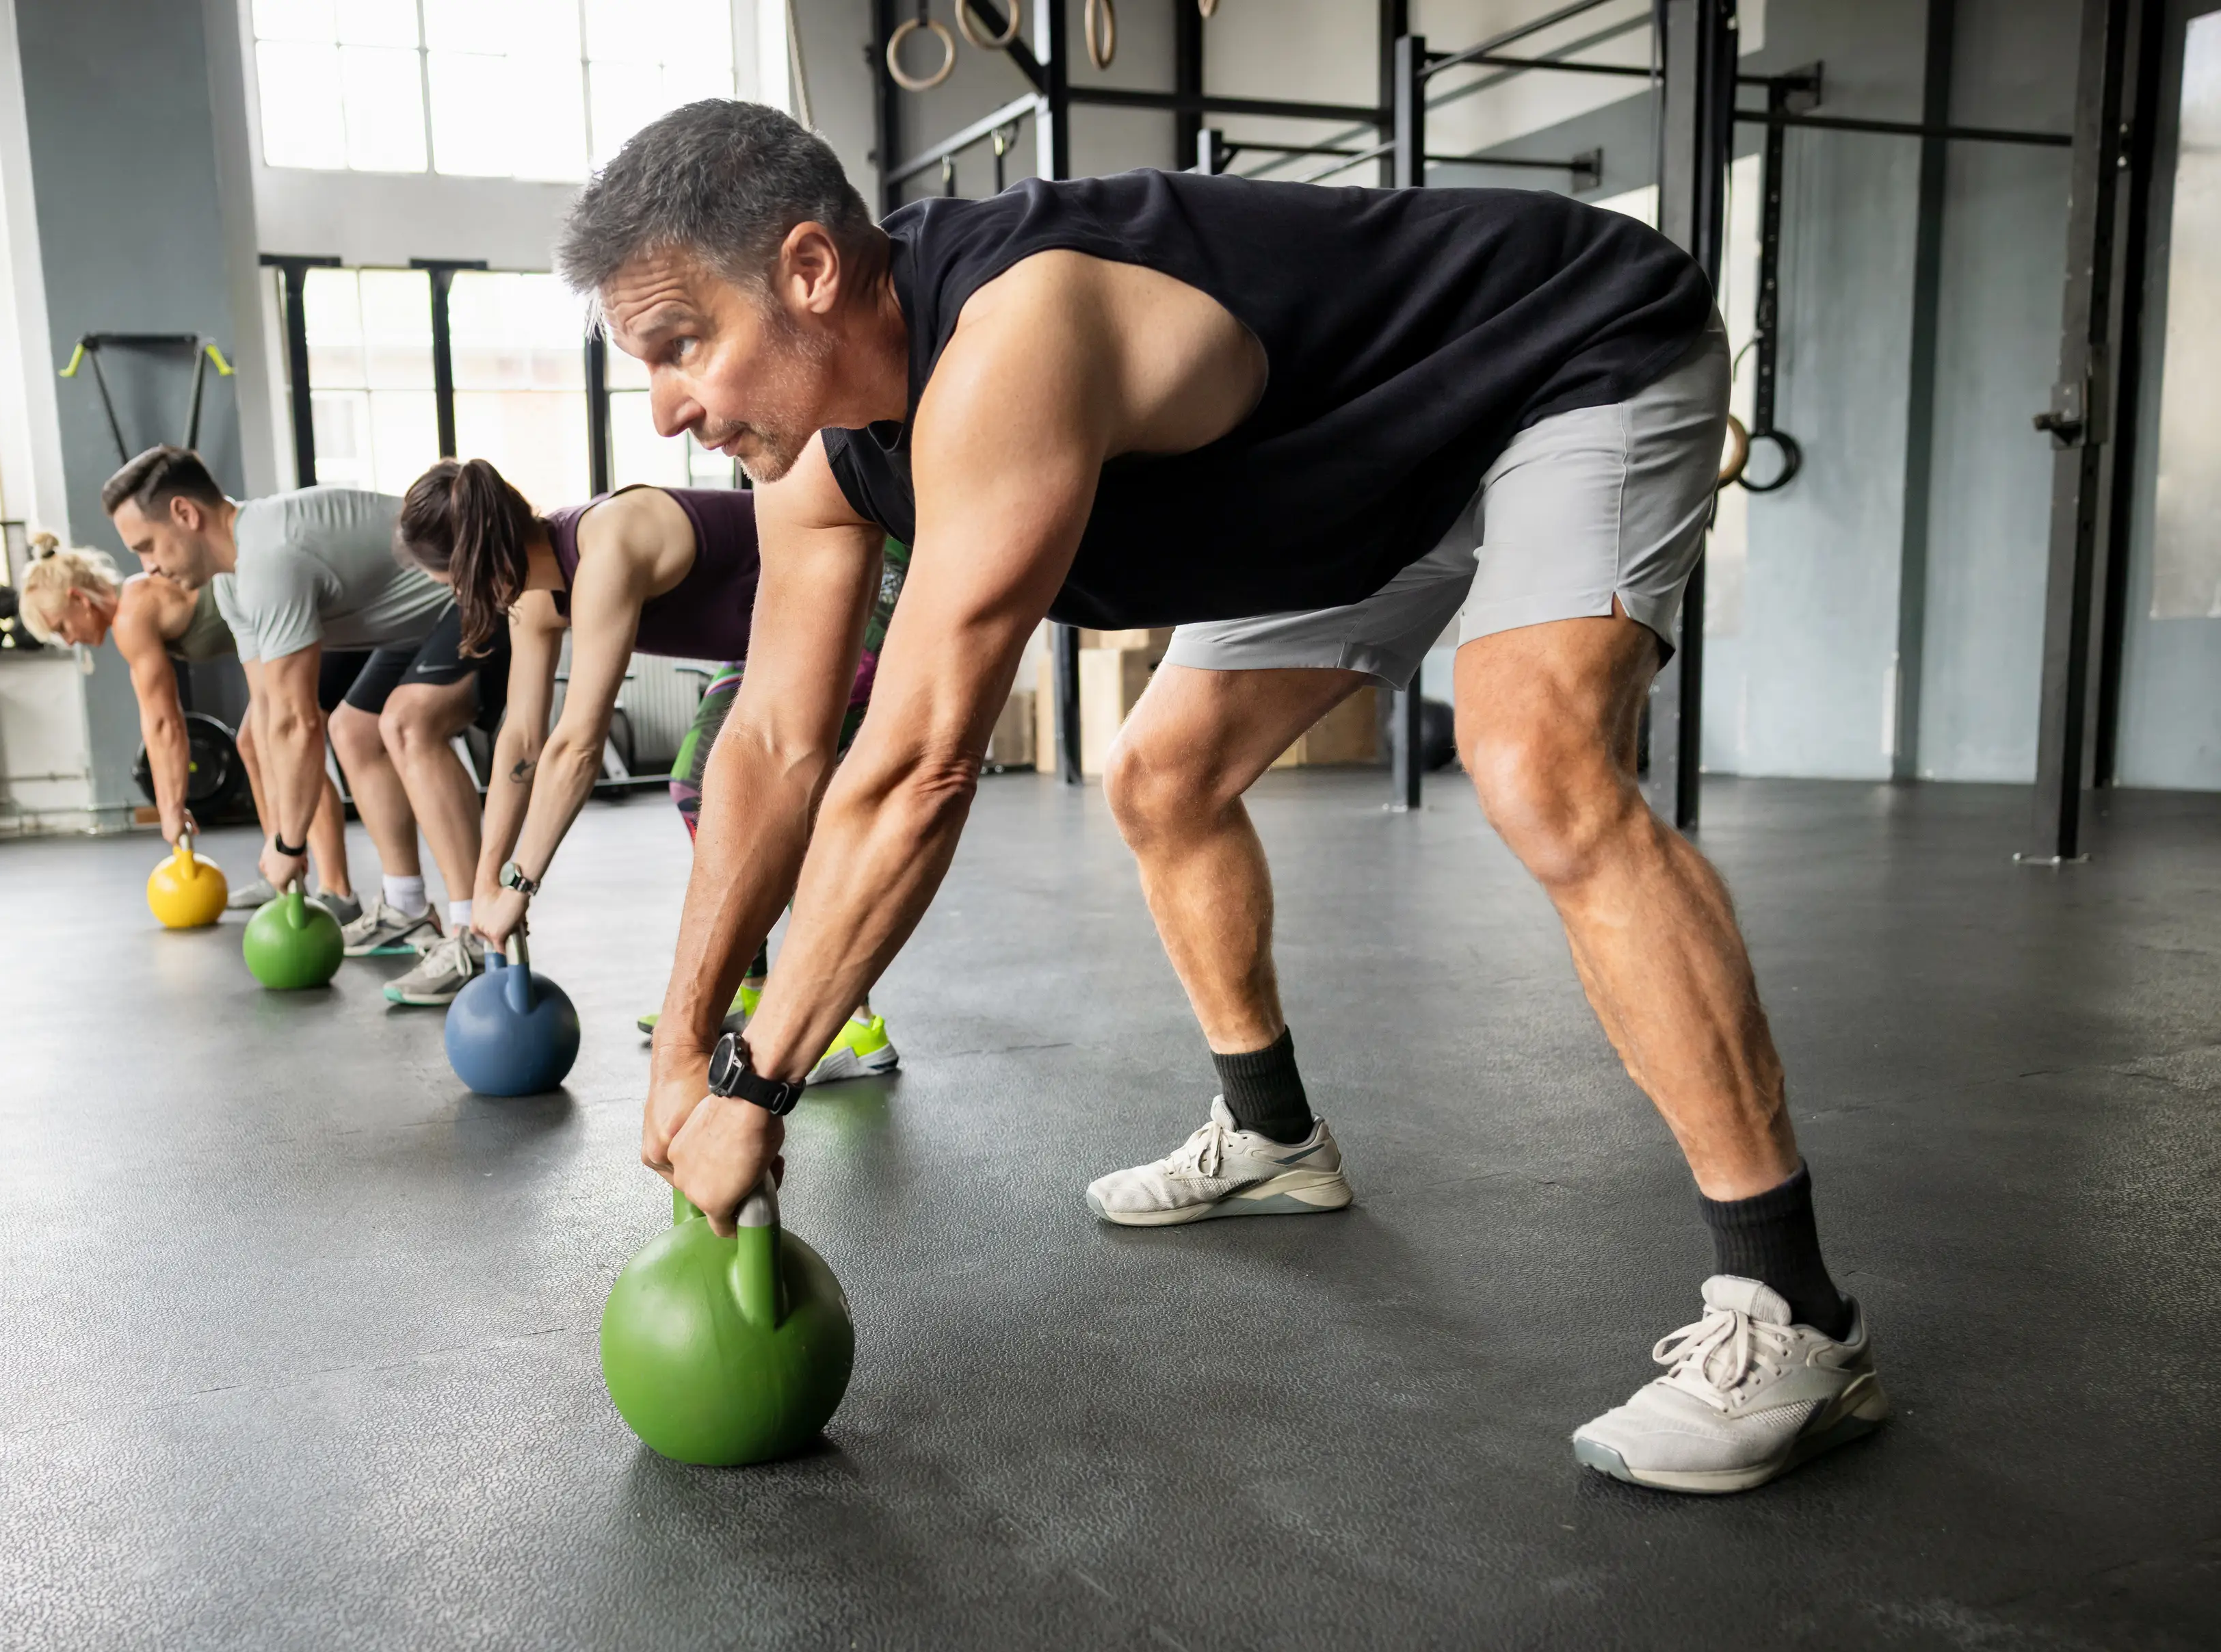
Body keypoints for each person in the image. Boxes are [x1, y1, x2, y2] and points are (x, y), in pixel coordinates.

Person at [576, 101, 1884, 1496]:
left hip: (1555, 352)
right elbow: (776, 745)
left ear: (809, 270)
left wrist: (755, 1079)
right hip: (1350, 486)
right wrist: (687, 1042)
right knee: (1162, 774)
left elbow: (913, 767)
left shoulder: (1016, 334)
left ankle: (1794, 1313)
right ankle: (1272, 1134)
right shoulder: (820, 462)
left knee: (1537, 762)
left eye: (683, 345)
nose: (667, 407)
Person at [393, 458, 900, 1081]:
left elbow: (577, 745)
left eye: (446, 582)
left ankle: (849, 1020)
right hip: (782, 629)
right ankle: (751, 982)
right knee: (703, 788)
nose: (453, 597)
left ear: (468, 569)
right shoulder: (534, 591)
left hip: (862, 581)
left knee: (782, 800)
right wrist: (486, 888)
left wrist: (523, 883)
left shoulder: (606, 549)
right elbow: (522, 741)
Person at [101, 447, 510, 1006]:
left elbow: (295, 723)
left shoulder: (271, 558)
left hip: (481, 588)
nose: (147, 567)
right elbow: (269, 708)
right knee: (353, 731)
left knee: (407, 725)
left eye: (146, 545)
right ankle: (407, 905)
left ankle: (476, 936)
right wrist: (279, 837)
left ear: (185, 514)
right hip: (413, 621)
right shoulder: (232, 579)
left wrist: (290, 842)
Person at [17, 532, 360, 918]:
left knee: (285, 745)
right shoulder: (131, 613)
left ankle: (337, 890)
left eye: (62, 627)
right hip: (272, 635)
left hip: (304, 621)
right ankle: (277, 867)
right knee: (251, 741)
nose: (68, 639)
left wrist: (171, 809)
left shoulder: (133, 614)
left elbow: (167, 723)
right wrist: (169, 804)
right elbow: (155, 720)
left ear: (80, 600)